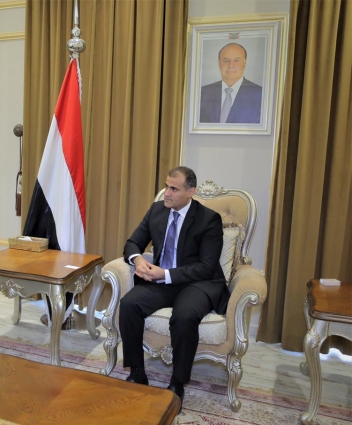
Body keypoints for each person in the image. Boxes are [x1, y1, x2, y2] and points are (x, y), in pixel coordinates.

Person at [119, 166, 230, 412]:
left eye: (174, 189)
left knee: (184, 316)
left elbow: (206, 266)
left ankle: (177, 383)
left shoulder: (209, 219)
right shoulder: (157, 210)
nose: (166, 193)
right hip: (162, 280)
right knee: (129, 304)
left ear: (191, 192)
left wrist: (166, 274)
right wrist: (138, 260)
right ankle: (137, 373)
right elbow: (133, 242)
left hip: (197, 283)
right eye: (166, 186)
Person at [199, 43, 262, 124]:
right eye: (226, 60)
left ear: (245, 63)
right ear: (219, 63)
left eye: (236, 60)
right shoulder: (202, 93)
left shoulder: (260, 95)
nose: (231, 65)